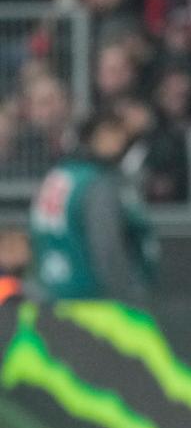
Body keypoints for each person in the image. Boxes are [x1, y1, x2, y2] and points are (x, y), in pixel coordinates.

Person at [28, 113, 154, 300]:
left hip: (48, 289)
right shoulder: (96, 181)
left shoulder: (57, 175)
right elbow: (106, 244)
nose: (117, 143)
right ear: (89, 139)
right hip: (87, 294)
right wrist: (124, 294)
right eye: (108, 136)